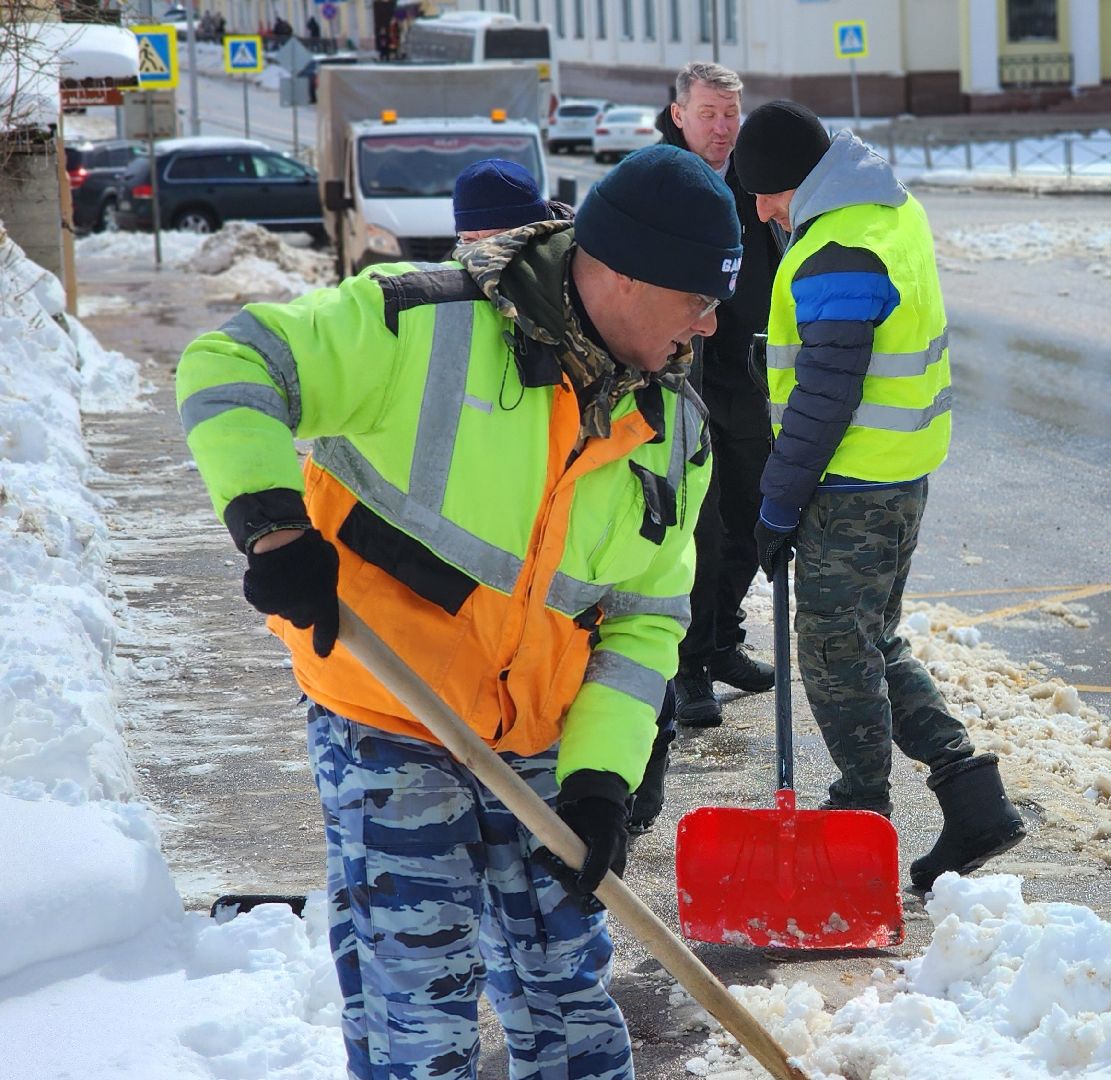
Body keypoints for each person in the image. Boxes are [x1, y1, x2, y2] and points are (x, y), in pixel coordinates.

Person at [174, 146, 739, 1078]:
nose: (710, 326)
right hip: (388, 710)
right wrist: (272, 526)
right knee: (419, 999)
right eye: (697, 301)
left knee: (567, 994)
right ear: (626, 276)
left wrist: (602, 778)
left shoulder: (673, 431)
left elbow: (644, 626)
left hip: (542, 732)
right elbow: (232, 360)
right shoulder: (419, 322)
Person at [733, 101, 1025, 892]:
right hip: (894, 473)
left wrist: (778, 505)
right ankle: (973, 798)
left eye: (766, 194)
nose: (761, 211)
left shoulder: (841, 249)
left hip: (850, 485)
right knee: (870, 641)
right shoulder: (884, 208)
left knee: (834, 653)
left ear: (799, 180)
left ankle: (860, 815)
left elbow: (826, 395)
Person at [659, 61, 782, 730]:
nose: (723, 127)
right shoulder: (660, 181)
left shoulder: (749, 176)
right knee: (696, 531)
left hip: (742, 377)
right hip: (678, 381)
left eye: (731, 113)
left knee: (756, 515)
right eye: (709, 113)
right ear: (679, 114)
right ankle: (689, 666)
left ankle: (723, 639)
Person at [452, 157, 556, 243]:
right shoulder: (452, 263)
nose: (478, 251)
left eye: (496, 241)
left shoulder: (567, 261)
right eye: (469, 240)